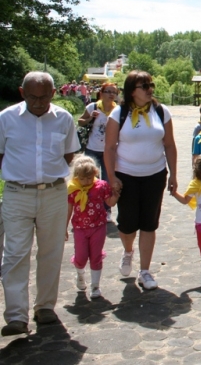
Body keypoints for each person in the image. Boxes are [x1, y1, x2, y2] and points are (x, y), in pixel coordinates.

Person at [0, 71, 81, 336]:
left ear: (53, 93)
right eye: (33, 97)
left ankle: (45, 306)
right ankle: (16, 316)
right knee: (14, 255)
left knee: (50, 252)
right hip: (17, 193)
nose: (38, 102)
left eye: (44, 97)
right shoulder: (6, 118)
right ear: (22, 93)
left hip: (54, 193)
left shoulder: (63, 119)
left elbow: (69, 154)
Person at [104, 70, 178, 291]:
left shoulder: (160, 111)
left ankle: (144, 271)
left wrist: (174, 174)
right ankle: (128, 252)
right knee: (127, 225)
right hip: (126, 175)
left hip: (154, 174)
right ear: (131, 91)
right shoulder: (119, 114)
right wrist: (111, 177)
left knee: (149, 223)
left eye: (150, 85)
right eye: (143, 86)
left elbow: (170, 145)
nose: (149, 90)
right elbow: (109, 148)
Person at [66, 155, 120, 299]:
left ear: (95, 173)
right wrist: (64, 228)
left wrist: (116, 193)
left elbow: (110, 202)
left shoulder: (100, 186)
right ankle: (80, 274)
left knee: (96, 256)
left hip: (98, 226)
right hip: (80, 228)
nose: (86, 182)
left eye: (89, 178)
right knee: (81, 256)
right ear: (76, 176)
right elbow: (69, 209)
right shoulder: (73, 189)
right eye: (82, 179)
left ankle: (95, 286)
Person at [77, 82, 119, 222]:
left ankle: (106, 210)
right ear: (101, 93)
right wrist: (90, 118)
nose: (111, 94)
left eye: (114, 92)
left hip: (109, 151)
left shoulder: (117, 110)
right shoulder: (93, 107)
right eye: (108, 91)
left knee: (107, 181)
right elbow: (80, 121)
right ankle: (88, 207)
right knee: (89, 179)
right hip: (92, 149)